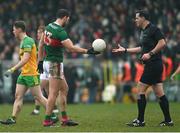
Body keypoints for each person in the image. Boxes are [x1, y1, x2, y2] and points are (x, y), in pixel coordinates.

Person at [38, 9, 99, 127]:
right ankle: (47, 120)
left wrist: (40, 61)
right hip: (55, 63)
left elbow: (40, 44)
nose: (68, 21)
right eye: (68, 19)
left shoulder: (48, 27)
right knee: (53, 93)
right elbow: (71, 48)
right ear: (65, 17)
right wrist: (88, 51)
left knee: (64, 89)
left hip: (47, 61)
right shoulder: (60, 32)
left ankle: (65, 119)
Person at [112, 10, 174, 127]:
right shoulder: (144, 31)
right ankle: (168, 120)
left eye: (137, 18)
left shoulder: (153, 29)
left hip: (153, 64)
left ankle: (140, 120)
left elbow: (162, 43)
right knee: (159, 93)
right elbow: (141, 48)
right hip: (154, 65)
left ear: (143, 18)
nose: (135, 20)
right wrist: (125, 50)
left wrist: (150, 54)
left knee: (140, 89)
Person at [0, 21, 47, 125]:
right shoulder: (22, 41)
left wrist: (12, 69)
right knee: (18, 96)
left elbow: (25, 59)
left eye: (14, 29)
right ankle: (13, 119)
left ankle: (52, 115)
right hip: (24, 74)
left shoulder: (27, 41)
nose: (13, 31)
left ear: (19, 29)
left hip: (31, 74)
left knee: (38, 97)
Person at [31, 25, 59, 115]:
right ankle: (54, 109)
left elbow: (43, 55)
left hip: (47, 66)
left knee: (38, 89)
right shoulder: (40, 42)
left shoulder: (45, 42)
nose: (37, 34)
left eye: (39, 32)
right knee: (47, 90)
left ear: (44, 33)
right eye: (37, 33)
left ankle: (37, 110)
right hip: (44, 67)